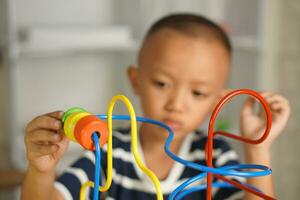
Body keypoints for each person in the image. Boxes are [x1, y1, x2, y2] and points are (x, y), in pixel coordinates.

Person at [21, 13, 290, 200]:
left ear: (216, 102)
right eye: (162, 84)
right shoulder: (106, 151)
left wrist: (257, 151)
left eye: (198, 92)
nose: (176, 104)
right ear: (136, 82)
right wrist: (41, 171)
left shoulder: (214, 156)